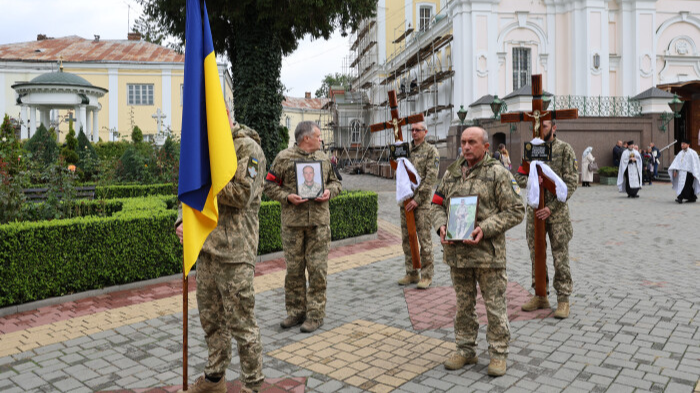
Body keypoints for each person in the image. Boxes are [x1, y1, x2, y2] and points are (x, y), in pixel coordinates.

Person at [175, 123, 266, 393]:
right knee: (212, 321)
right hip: (207, 249)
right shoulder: (202, 149)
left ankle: (252, 385)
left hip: (235, 252)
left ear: (224, 114)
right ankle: (215, 380)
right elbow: (187, 193)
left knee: (242, 325)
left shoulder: (249, 149)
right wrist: (182, 222)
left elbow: (241, 194)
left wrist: (205, 181)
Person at [431, 127, 525, 377]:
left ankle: (498, 353)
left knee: (494, 307)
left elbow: (516, 210)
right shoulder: (451, 173)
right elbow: (436, 204)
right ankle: (465, 349)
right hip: (457, 254)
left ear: (485, 146)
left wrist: (485, 227)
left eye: (472, 142)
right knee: (463, 306)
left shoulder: (498, 173)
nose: (466, 147)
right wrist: (441, 226)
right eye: (463, 142)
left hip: (487, 255)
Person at [264, 121, 342, 333]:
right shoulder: (284, 158)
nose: (321, 139)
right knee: (294, 271)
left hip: (319, 224)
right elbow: (269, 185)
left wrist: (329, 192)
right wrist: (287, 197)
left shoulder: (324, 158)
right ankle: (296, 312)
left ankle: (315, 315)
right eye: (318, 136)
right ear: (306, 138)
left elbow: (337, 183)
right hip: (293, 226)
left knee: (317, 270)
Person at [515, 119, 577, 319]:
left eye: (545, 125)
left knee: (560, 256)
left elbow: (571, 182)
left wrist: (551, 207)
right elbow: (520, 176)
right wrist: (534, 180)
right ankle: (540, 294)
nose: (542, 129)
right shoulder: (531, 149)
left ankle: (563, 299)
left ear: (554, 127)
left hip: (556, 214)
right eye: (539, 126)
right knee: (537, 255)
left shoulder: (564, 149)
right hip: (535, 212)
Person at [397, 121, 440, 289]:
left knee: (424, 239)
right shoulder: (406, 149)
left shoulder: (431, 151)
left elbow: (431, 178)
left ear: (425, 132)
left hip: (420, 204)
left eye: (417, 130)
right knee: (407, 238)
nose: (414, 132)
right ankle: (412, 272)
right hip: (405, 202)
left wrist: (418, 199)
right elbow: (397, 166)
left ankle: (427, 275)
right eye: (412, 130)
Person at [668, 138, 700, 203]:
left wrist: (695, 173)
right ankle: (692, 197)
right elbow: (676, 163)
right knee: (685, 186)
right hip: (681, 173)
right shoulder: (680, 153)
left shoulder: (692, 153)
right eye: (681, 144)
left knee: (686, 186)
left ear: (688, 145)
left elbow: (696, 164)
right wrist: (675, 171)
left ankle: (680, 198)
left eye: (684, 144)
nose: (682, 145)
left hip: (689, 173)